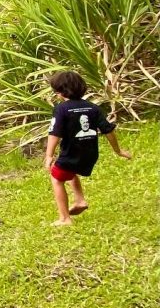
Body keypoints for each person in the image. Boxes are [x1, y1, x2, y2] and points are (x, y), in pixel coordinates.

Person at [44, 71, 131, 226]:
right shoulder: (93, 108)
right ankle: (80, 200)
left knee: (56, 178)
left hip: (71, 153)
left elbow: (54, 133)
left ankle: (65, 218)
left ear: (60, 92)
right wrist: (118, 150)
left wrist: (49, 155)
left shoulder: (61, 109)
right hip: (90, 154)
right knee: (70, 172)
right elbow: (108, 130)